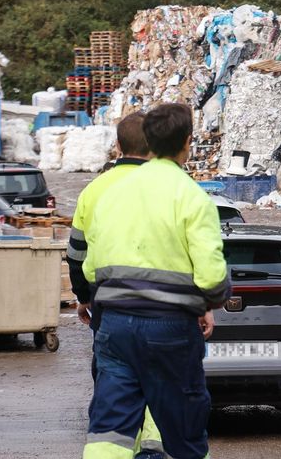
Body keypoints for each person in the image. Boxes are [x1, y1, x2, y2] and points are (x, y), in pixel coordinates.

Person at [82, 103, 231, 459]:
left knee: (110, 430)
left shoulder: (112, 192)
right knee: (183, 432)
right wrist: (214, 298)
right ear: (188, 142)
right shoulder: (191, 196)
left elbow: (90, 269)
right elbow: (211, 277)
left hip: (114, 326)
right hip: (171, 329)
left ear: (148, 140)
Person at [66, 112, 167, 457]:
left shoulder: (94, 191)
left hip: (108, 305)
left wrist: (83, 297)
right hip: (163, 305)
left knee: (114, 384)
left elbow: (76, 254)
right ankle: (153, 447)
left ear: (118, 146)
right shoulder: (172, 188)